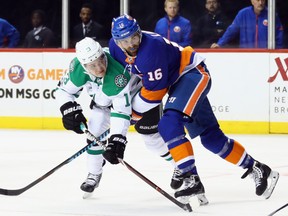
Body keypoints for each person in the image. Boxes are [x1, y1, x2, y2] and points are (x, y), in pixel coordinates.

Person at [107, 14, 279, 203]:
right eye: (125, 40)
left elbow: (155, 93)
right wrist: (117, 118)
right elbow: (124, 79)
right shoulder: (114, 49)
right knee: (211, 138)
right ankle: (258, 168)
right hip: (177, 84)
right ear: (116, 41)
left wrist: (130, 116)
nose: (131, 43)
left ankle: (191, 178)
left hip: (192, 74)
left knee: (168, 123)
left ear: (139, 32)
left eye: (134, 37)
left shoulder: (150, 51)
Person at [55, 37, 132, 196]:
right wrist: (69, 109)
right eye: (92, 65)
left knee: (152, 137)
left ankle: (184, 169)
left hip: (133, 99)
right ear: (84, 65)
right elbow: (63, 91)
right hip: (102, 103)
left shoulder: (116, 72)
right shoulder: (77, 67)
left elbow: (121, 111)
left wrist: (117, 138)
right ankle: (94, 173)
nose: (99, 68)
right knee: (94, 134)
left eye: (100, 61)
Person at [211, 0, 283, 48]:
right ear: (252, 1)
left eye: (262, 0)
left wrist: (277, 52)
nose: (260, 3)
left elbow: (279, 34)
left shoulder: (271, 14)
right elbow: (232, 30)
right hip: (246, 54)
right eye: (257, 0)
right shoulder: (243, 14)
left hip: (266, 54)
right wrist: (220, 44)